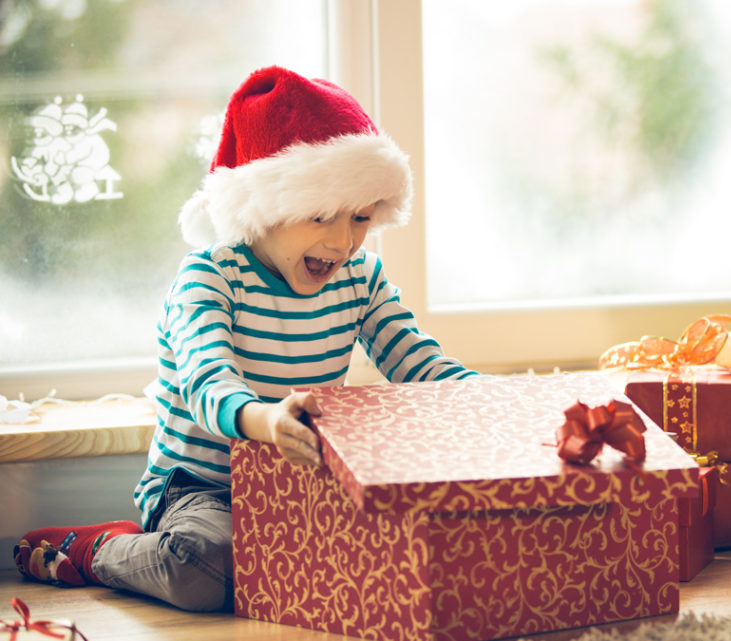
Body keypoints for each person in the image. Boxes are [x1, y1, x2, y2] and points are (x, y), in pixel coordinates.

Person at [13, 66, 478, 611]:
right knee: (202, 571)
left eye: (359, 217)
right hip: (202, 488)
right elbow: (209, 383)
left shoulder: (362, 278)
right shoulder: (210, 277)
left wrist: (509, 405)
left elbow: (423, 366)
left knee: (420, 549)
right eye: (319, 215)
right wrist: (268, 421)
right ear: (263, 210)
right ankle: (97, 550)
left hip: (303, 480)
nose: (342, 240)